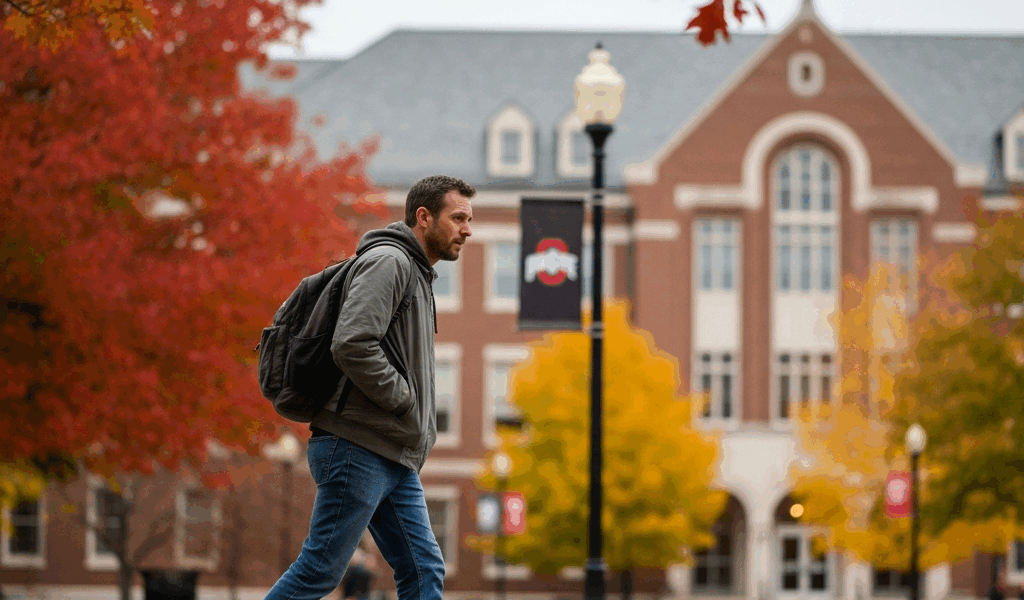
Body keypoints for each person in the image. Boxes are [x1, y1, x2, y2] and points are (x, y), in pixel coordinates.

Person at [264, 175, 474, 600]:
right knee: (320, 571)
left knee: (424, 568)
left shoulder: (417, 273)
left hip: (391, 450)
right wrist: (403, 399)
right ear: (423, 217)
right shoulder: (390, 263)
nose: (467, 229)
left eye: (469, 219)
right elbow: (352, 342)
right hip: (357, 446)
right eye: (458, 218)